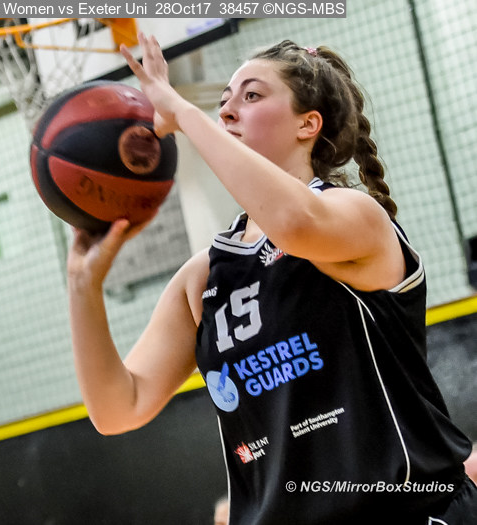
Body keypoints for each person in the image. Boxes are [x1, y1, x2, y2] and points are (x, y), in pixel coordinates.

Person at [67, 33, 477, 524]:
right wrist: (83, 288)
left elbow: (293, 224)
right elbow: (119, 408)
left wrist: (183, 112)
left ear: (308, 124)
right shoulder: (202, 277)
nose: (227, 111)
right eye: (224, 101)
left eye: (252, 95)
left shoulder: (356, 216)